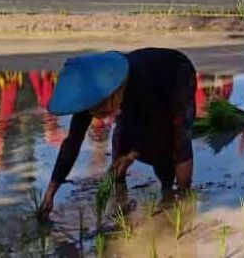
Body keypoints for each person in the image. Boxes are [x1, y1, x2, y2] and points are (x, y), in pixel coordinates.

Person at [37, 48, 196, 221]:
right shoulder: (92, 93)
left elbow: (154, 125)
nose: (97, 114)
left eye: (101, 107)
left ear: (116, 91)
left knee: (176, 139)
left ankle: (181, 197)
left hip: (175, 77)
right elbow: (72, 142)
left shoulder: (141, 82)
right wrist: (51, 192)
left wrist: (132, 154)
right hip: (139, 96)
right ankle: (120, 199)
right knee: (121, 143)